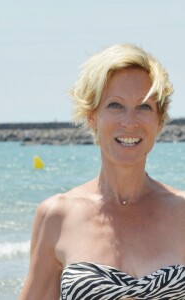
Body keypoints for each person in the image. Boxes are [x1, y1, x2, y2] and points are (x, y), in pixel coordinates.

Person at [19, 44, 185, 300]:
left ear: (159, 120)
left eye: (143, 107)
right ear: (92, 116)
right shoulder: (56, 217)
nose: (129, 122)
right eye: (115, 105)